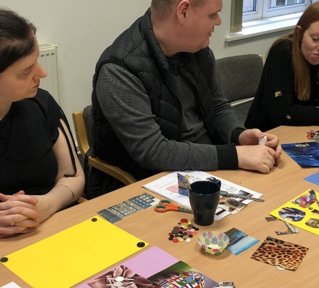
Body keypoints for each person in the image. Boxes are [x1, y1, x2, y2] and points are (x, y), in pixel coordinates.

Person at [91, 0, 282, 197]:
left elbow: (217, 107)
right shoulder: (118, 70)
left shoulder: (197, 49)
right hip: (150, 181)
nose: (218, 21)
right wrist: (235, 155)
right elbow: (154, 151)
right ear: (183, 11)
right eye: (212, 15)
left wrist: (239, 136)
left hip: (205, 166)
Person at [0, 9, 85, 238]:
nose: (42, 73)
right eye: (27, 71)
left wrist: (46, 204)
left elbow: (73, 176)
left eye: (37, 61)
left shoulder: (41, 103)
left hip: (51, 227)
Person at [245, 1, 319, 131]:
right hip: (269, 135)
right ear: (300, 33)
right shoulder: (282, 52)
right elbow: (283, 114)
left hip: (312, 134)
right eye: (315, 38)